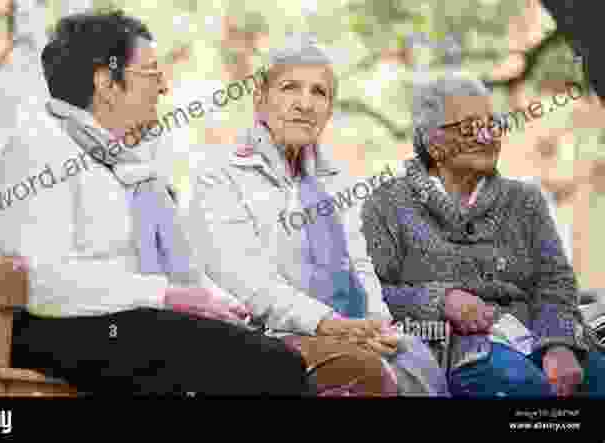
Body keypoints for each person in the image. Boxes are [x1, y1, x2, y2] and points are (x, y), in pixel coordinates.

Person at [0, 10, 314, 396]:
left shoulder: (124, 164)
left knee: (267, 350)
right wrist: (170, 297)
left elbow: (165, 269)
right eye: (152, 73)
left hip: (115, 321)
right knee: (270, 365)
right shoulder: (39, 151)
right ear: (106, 82)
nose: (163, 87)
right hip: (50, 325)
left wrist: (217, 303)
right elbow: (41, 281)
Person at [188, 34, 450, 396]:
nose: (305, 104)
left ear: (329, 110)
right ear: (260, 100)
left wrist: (375, 324)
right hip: (265, 337)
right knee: (366, 373)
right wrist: (332, 324)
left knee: (421, 360)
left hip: (348, 329)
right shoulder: (220, 174)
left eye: (319, 93)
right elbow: (249, 283)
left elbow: (361, 267)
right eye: (290, 88)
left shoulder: (338, 179)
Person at [361, 73, 605, 397]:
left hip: (539, 335)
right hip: (460, 349)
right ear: (434, 144)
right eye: (470, 126)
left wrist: (560, 345)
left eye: (493, 123)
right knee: (524, 390)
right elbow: (373, 293)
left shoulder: (525, 200)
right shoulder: (388, 205)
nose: (487, 135)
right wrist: (441, 300)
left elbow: (555, 281)